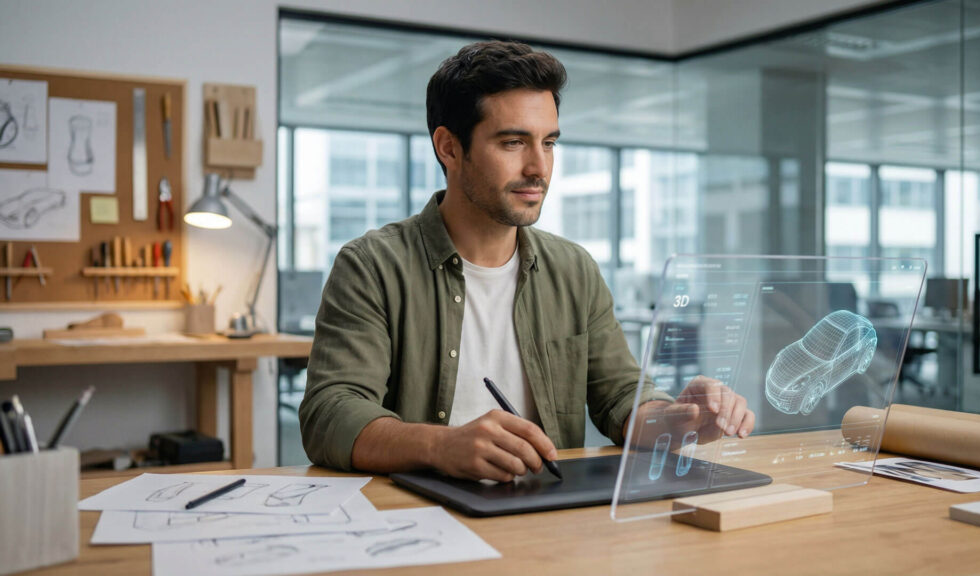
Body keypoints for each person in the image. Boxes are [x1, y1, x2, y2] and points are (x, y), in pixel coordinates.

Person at [300, 40, 755, 482]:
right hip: (421, 524)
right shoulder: (371, 266)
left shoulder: (574, 270)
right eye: (514, 143)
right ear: (449, 148)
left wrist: (676, 419)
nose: (539, 167)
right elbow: (331, 413)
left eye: (549, 143)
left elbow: (619, 398)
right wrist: (442, 446)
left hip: (548, 523)